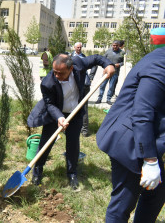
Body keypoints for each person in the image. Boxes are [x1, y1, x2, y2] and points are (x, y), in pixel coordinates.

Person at [96, 28, 165, 222]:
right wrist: (150, 161)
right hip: (131, 142)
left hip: (147, 139)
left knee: (157, 193)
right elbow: (143, 113)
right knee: (123, 203)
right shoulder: (160, 63)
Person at [27, 53, 114, 189]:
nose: (56, 75)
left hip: (75, 113)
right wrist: (59, 117)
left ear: (71, 68)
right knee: (46, 142)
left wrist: (108, 65)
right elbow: (49, 104)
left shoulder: (78, 64)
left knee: (73, 144)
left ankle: (72, 173)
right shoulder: (47, 83)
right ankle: (37, 170)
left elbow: (96, 58)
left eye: (60, 73)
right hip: (55, 114)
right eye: (54, 72)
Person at [71, 42, 91, 137]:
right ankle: (72, 127)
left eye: (80, 47)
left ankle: (84, 130)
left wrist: (91, 76)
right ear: (74, 47)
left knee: (84, 107)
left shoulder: (84, 57)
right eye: (77, 47)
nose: (79, 48)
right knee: (71, 105)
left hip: (84, 85)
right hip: (73, 85)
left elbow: (94, 65)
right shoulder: (70, 56)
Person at [95, 41, 123, 105]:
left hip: (115, 72)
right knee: (102, 85)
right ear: (112, 45)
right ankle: (99, 98)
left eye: (116, 45)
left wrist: (120, 64)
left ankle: (108, 99)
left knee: (111, 86)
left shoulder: (122, 52)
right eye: (113, 45)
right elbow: (103, 59)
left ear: (118, 46)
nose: (115, 46)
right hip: (106, 72)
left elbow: (123, 61)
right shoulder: (108, 51)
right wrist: (105, 67)